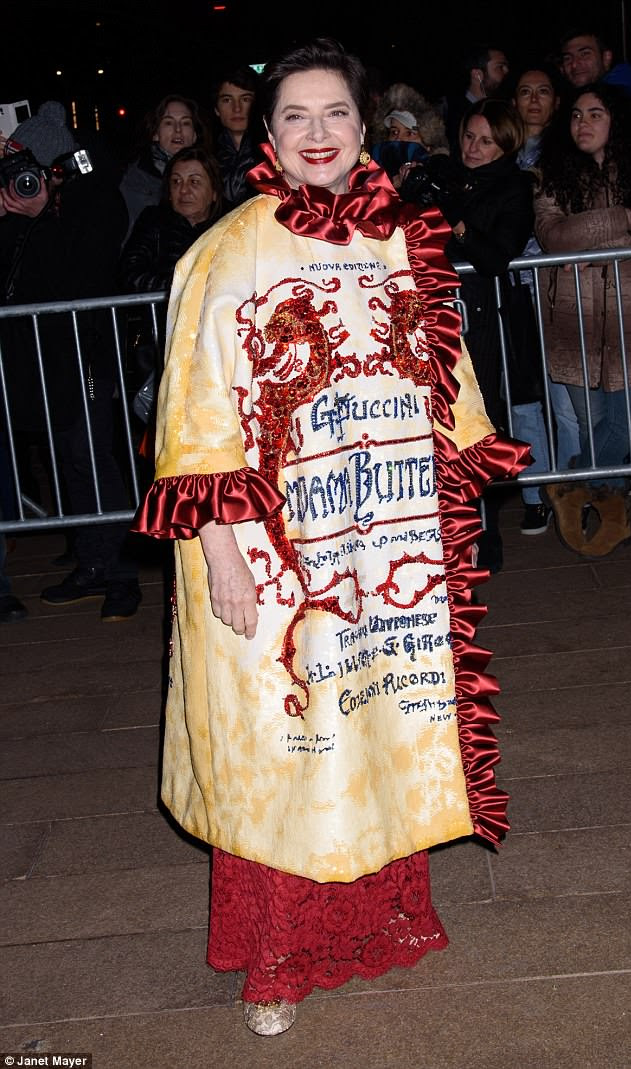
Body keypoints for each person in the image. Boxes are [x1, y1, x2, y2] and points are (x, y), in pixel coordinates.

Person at [133, 38, 528, 1037]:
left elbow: (447, 382)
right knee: (279, 733)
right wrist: (220, 542)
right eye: (296, 117)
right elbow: (192, 409)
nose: (318, 134)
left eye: (335, 115)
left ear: (367, 128)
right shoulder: (222, 251)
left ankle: (381, 920)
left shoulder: (405, 238)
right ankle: (273, 960)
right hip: (270, 546)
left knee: (375, 720)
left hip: (380, 529)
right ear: (267, 136)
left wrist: (453, 506)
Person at [0, 101, 142, 620]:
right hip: (43, 357)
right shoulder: (29, 207)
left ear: (55, 165)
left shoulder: (95, 201)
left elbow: (80, 273)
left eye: (32, 167)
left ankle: (119, 571)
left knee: (91, 456)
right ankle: (93, 562)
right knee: (69, 460)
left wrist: (40, 217)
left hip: (84, 353)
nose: (26, 179)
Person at [401, 99, 534, 570]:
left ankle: (486, 532)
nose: (473, 148)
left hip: (481, 321)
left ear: (506, 143)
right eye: (468, 137)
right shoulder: (446, 174)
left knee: (483, 426)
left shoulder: (515, 187)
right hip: (431, 316)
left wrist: (456, 223)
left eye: (485, 140)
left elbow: (498, 255)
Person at [534, 82, 631, 557]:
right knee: (594, 421)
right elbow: (555, 237)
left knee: (625, 424)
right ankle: (611, 511)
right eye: (575, 115)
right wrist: (624, 221)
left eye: (595, 113)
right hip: (575, 322)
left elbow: (575, 239)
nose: (583, 123)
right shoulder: (552, 175)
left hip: (629, 320)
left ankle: (572, 485)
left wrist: (589, 247)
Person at [510, 65, 581, 535]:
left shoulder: (570, 153)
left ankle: (580, 489)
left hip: (561, 289)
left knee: (568, 399)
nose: (534, 100)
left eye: (543, 91)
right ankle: (535, 492)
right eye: (524, 92)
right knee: (523, 397)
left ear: (557, 101)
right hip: (511, 291)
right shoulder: (498, 148)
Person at [120, 147, 223, 436]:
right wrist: (183, 288)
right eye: (176, 182)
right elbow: (130, 272)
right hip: (159, 349)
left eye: (194, 181)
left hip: (219, 350)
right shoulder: (153, 221)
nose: (184, 190)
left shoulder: (230, 225)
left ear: (214, 191)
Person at [119, 95, 211, 237]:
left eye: (185, 123)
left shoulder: (211, 175)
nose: (178, 130)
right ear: (155, 133)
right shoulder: (135, 180)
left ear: (194, 135)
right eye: (169, 123)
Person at [369, 83, 449, 188]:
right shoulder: (373, 172)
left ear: (428, 142)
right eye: (394, 132)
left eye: (409, 133)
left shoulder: (439, 180)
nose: (398, 139)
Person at [212, 65, 264, 210]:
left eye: (245, 99)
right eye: (227, 100)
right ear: (216, 109)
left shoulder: (276, 152)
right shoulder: (206, 156)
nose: (237, 108)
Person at [444, 43, 510, 145]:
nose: (506, 71)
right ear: (477, 74)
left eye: (506, 67)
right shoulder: (450, 113)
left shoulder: (505, 110)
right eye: (500, 67)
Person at [558, 26, 631, 99]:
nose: (574, 65)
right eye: (567, 58)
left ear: (606, 58)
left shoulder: (623, 86)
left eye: (584, 54)